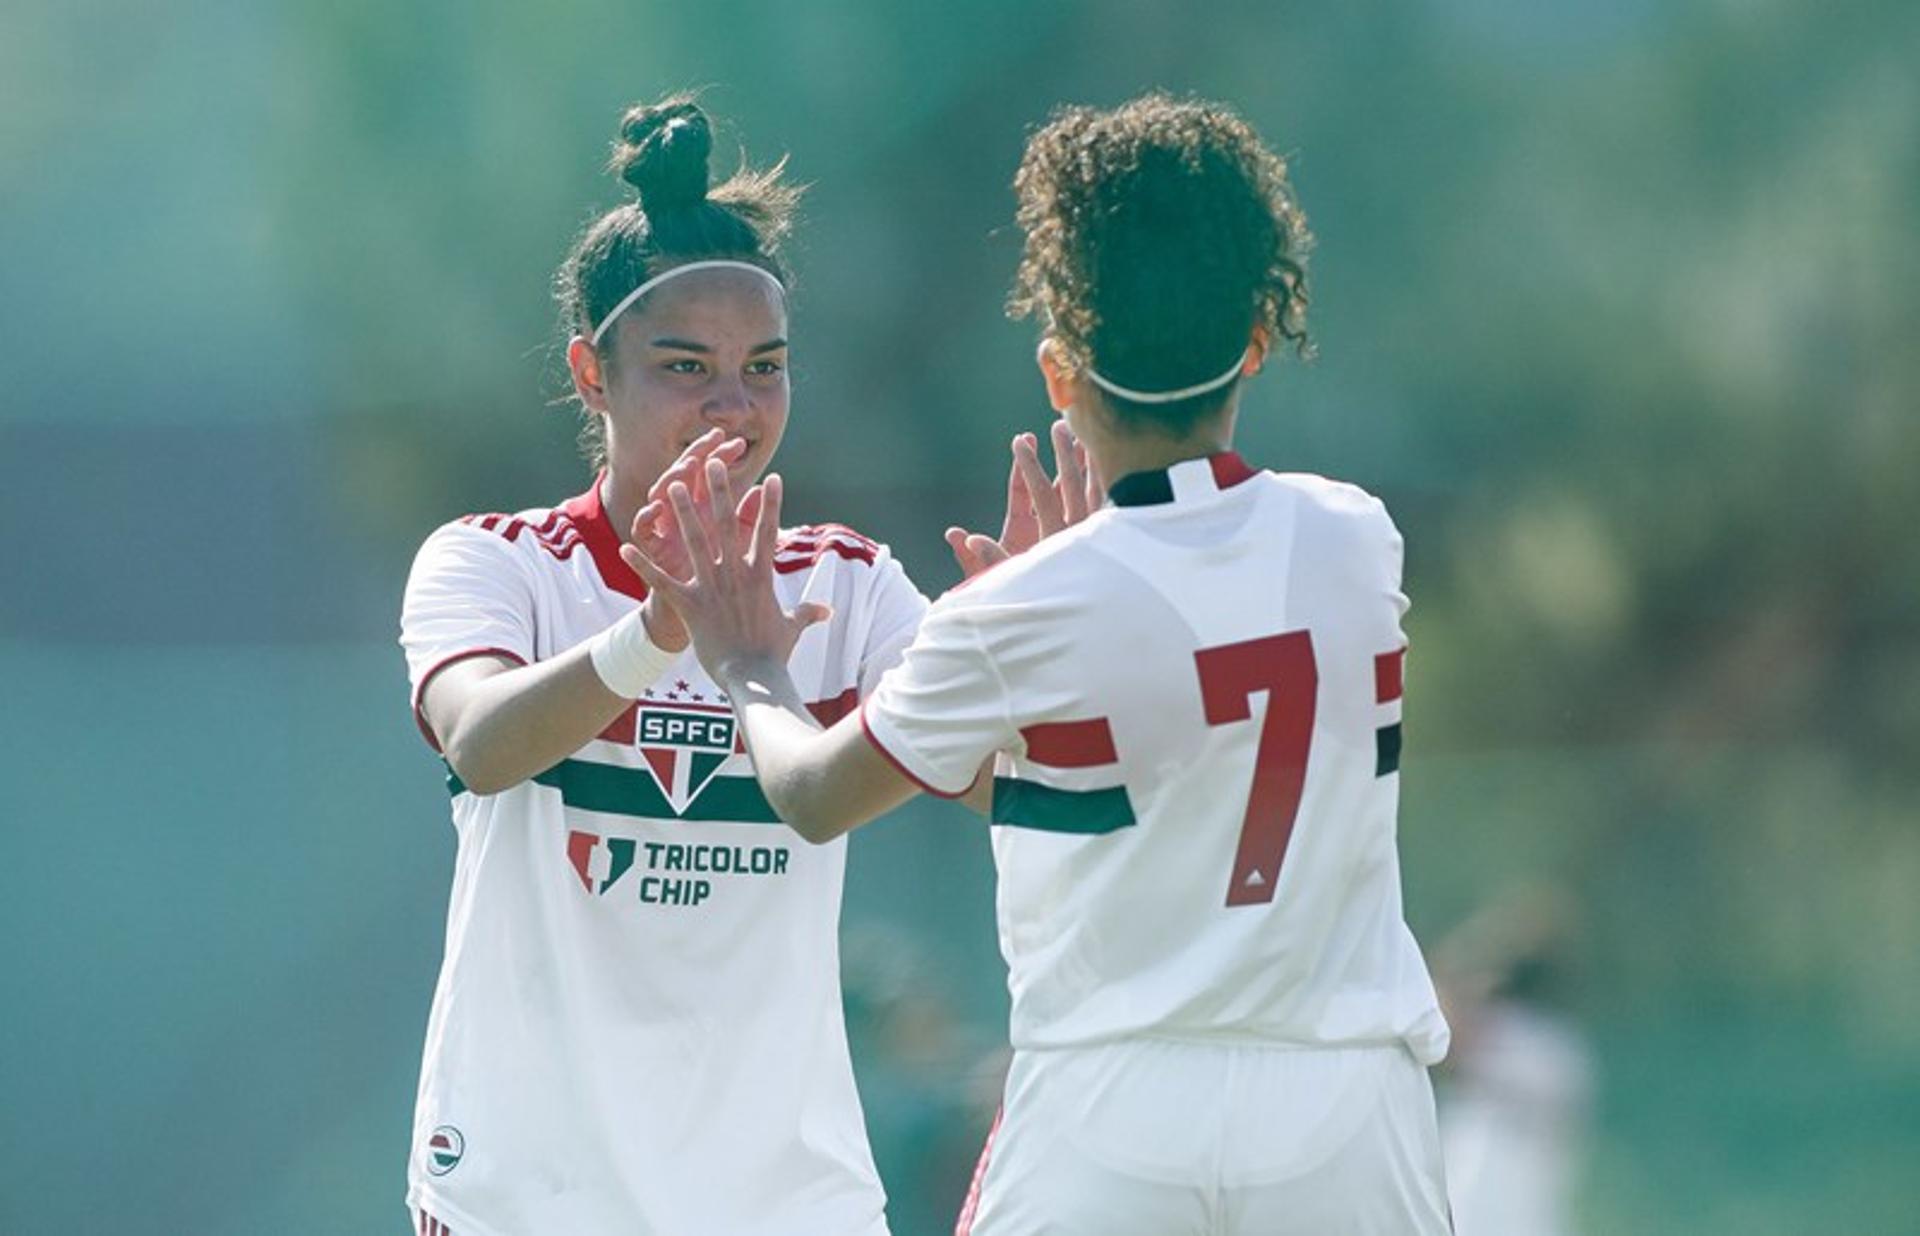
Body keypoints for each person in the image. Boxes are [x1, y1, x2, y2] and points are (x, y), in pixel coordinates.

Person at [627, 93, 1454, 1234]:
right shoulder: (1359, 538)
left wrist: (750, 661)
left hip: (1109, 1108)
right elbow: (1197, 690)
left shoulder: (1019, 610)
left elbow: (814, 795)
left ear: (1060, 374)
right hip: (1349, 1103)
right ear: (1255, 343)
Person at [397, 96, 928, 1235]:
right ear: (593, 372)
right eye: (686, 366)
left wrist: (1035, 620)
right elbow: (482, 745)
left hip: (787, 1201)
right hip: (526, 1195)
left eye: (765, 367)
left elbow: (997, 774)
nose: (733, 407)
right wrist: (663, 629)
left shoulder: (856, 583)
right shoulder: (495, 564)